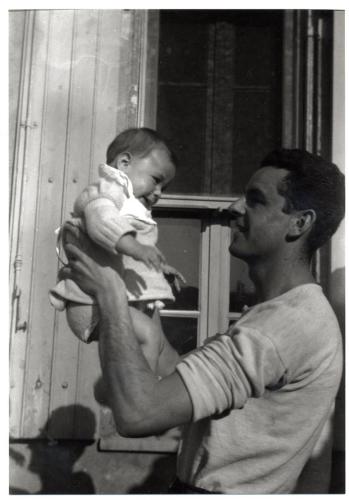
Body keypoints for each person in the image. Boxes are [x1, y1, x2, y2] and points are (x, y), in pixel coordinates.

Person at [61, 149, 345, 494]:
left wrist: (110, 295)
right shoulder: (279, 313)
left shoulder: (285, 326)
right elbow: (185, 380)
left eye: (255, 201)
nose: (235, 207)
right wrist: (150, 332)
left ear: (299, 223)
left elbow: (138, 415)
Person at [49, 127, 184, 371]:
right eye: (156, 180)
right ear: (124, 163)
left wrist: (160, 269)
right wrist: (136, 248)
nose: (158, 193)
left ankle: (130, 386)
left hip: (113, 300)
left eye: (164, 187)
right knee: (148, 337)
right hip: (90, 305)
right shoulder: (105, 194)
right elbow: (103, 223)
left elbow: (134, 254)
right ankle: (144, 393)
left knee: (154, 339)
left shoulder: (128, 204)